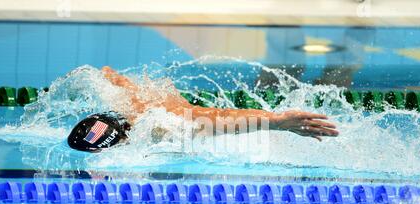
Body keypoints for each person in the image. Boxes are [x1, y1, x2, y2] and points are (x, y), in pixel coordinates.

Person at [68, 66, 339, 152]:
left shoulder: (161, 124)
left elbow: (218, 119)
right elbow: (106, 73)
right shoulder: (121, 97)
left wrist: (277, 122)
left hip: (189, 114)